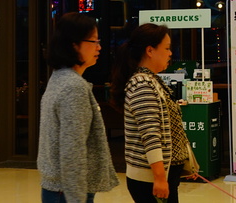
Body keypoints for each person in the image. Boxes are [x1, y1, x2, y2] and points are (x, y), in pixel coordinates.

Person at [37, 12, 119, 203]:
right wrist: (76, 198)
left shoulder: (58, 77)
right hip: (66, 192)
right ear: (74, 45)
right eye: (93, 41)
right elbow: (72, 150)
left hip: (56, 187)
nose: (99, 47)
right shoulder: (74, 87)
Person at [111, 24, 190, 203]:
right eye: (167, 48)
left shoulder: (152, 80)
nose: (170, 53)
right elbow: (151, 135)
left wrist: (185, 163)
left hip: (164, 175)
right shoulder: (142, 85)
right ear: (150, 50)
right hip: (150, 179)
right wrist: (160, 178)